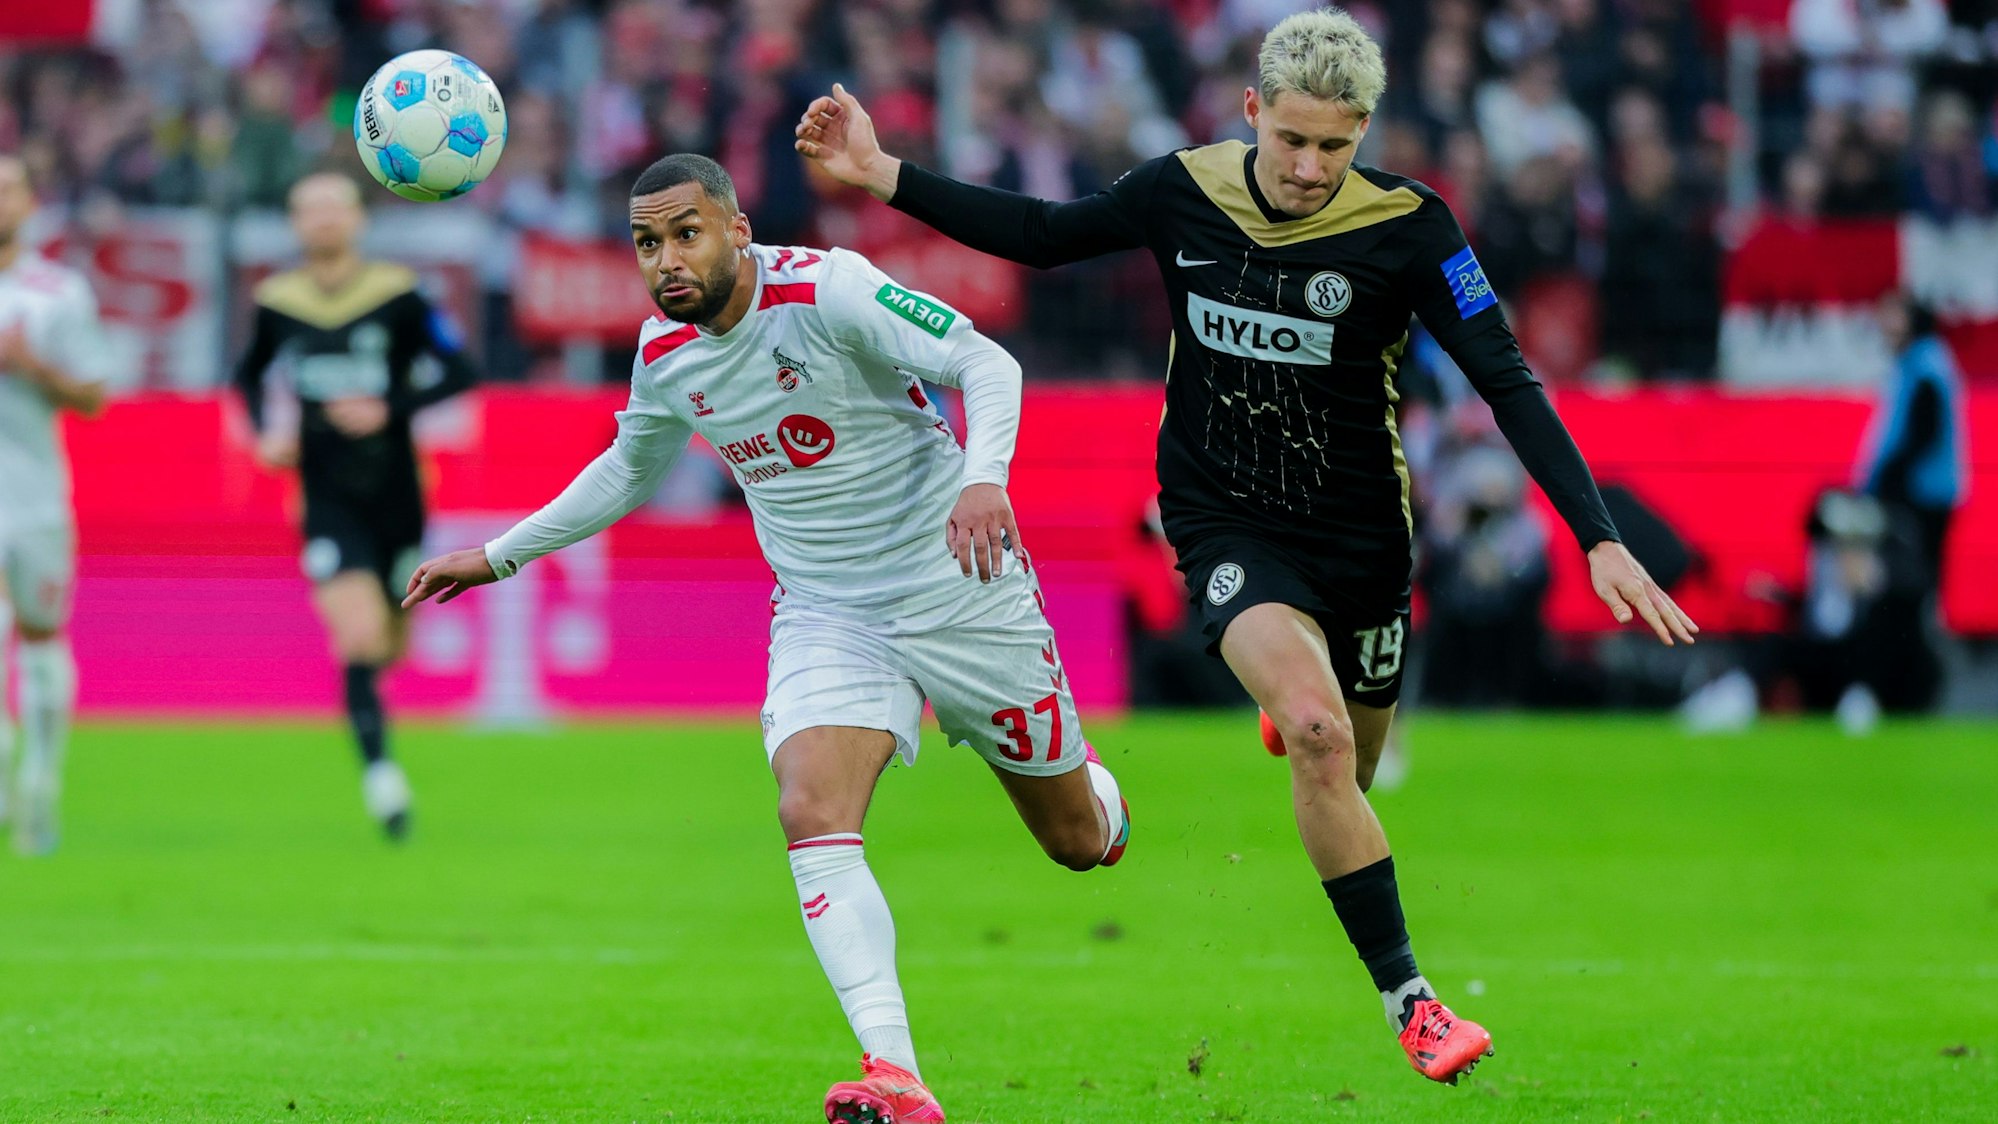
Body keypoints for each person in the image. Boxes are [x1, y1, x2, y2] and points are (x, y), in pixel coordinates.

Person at [796, 6, 1697, 1085]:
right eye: (1293, 138)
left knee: (1350, 766)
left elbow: (1505, 377)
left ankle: (1297, 692)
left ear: (1363, 133)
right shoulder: (1184, 189)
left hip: (1363, 543)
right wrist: (881, 171)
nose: (1311, 168)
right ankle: (1413, 1003)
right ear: (1252, 109)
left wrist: (1597, 536)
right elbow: (1042, 232)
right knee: (1319, 735)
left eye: (1336, 146)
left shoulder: (1413, 226)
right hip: (1224, 518)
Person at [402, 153, 1130, 1123]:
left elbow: (986, 362)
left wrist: (984, 477)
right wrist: (499, 555)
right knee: (810, 805)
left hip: (958, 583)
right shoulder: (666, 351)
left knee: (1076, 841)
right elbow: (629, 468)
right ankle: (895, 1070)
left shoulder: (828, 288)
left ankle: (1099, 795)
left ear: (737, 229)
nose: (667, 260)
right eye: (647, 243)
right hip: (830, 610)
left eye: (685, 233)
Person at [233, 172, 476, 840]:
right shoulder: (279, 302)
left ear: (358, 219)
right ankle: (382, 780)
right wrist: (265, 433)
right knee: (360, 636)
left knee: (390, 645)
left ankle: (370, 713)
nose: (323, 219)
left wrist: (388, 408)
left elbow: (460, 369)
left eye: (334, 207)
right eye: (308, 209)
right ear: (294, 222)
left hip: (398, 494)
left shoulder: (398, 294)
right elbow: (247, 374)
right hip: (324, 496)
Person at [0, 153, 108, 855]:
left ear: (30, 203)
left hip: (36, 496)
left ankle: (41, 781)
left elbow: (93, 394)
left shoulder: (58, 292)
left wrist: (31, 367)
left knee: (42, 638)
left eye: (7, 189)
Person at [1856, 291, 1967, 597]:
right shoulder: (1917, 362)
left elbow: (1924, 431)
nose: (1884, 323)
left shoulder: (1924, 364)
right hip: (1920, 489)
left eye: (1893, 316)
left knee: (1915, 575)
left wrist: (1890, 475)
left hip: (1922, 492)